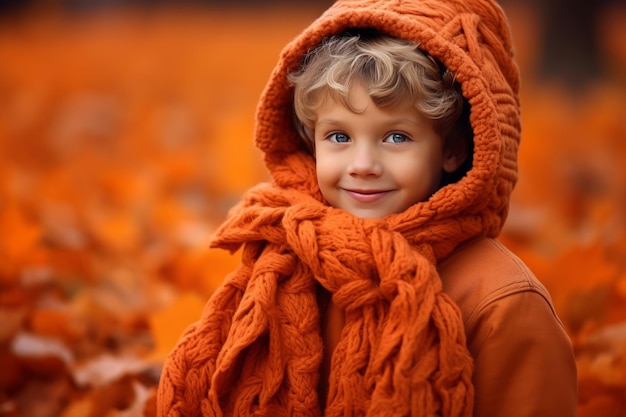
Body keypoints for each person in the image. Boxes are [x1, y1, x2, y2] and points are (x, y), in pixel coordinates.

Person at [156, 0, 578, 416]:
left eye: (396, 137)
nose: (362, 166)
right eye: (339, 137)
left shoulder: (501, 303)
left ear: (453, 149)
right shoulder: (286, 264)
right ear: (310, 140)